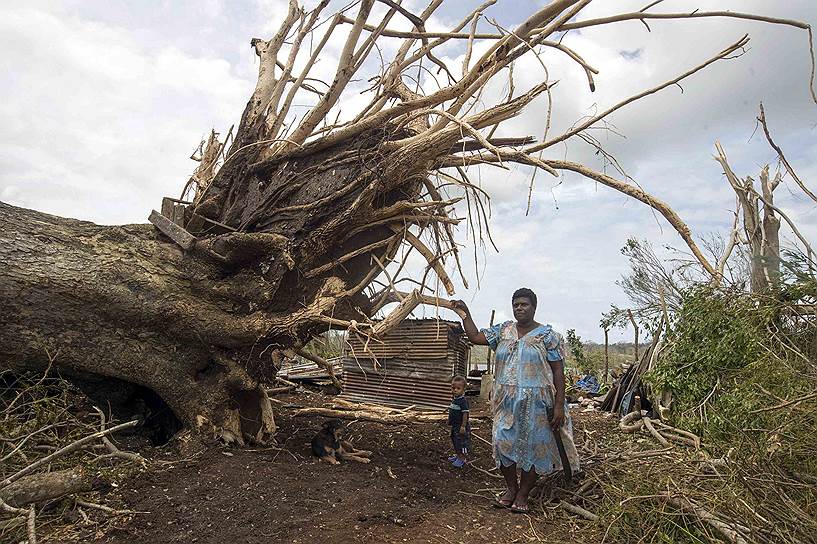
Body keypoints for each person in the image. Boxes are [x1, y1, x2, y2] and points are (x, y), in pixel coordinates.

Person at [453, 288, 580, 513]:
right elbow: (474, 337)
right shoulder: (503, 331)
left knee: (534, 446)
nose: (519, 308)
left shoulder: (547, 335)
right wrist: (465, 314)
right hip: (506, 400)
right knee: (503, 442)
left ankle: (523, 493)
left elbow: (558, 372)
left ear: (534, 307)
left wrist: (559, 405)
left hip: (539, 401)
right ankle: (511, 488)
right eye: (516, 304)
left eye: (524, 304)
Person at [447, 375, 471, 468]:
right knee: (454, 440)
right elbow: (452, 411)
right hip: (454, 426)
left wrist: (463, 426)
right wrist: (449, 420)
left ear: (463, 389)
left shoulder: (463, 401)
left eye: (458, 388)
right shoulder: (455, 400)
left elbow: (465, 414)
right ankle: (457, 455)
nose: (455, 390)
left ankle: (462, 458)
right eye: (453, 388)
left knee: (461, 442)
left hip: (460, 426)